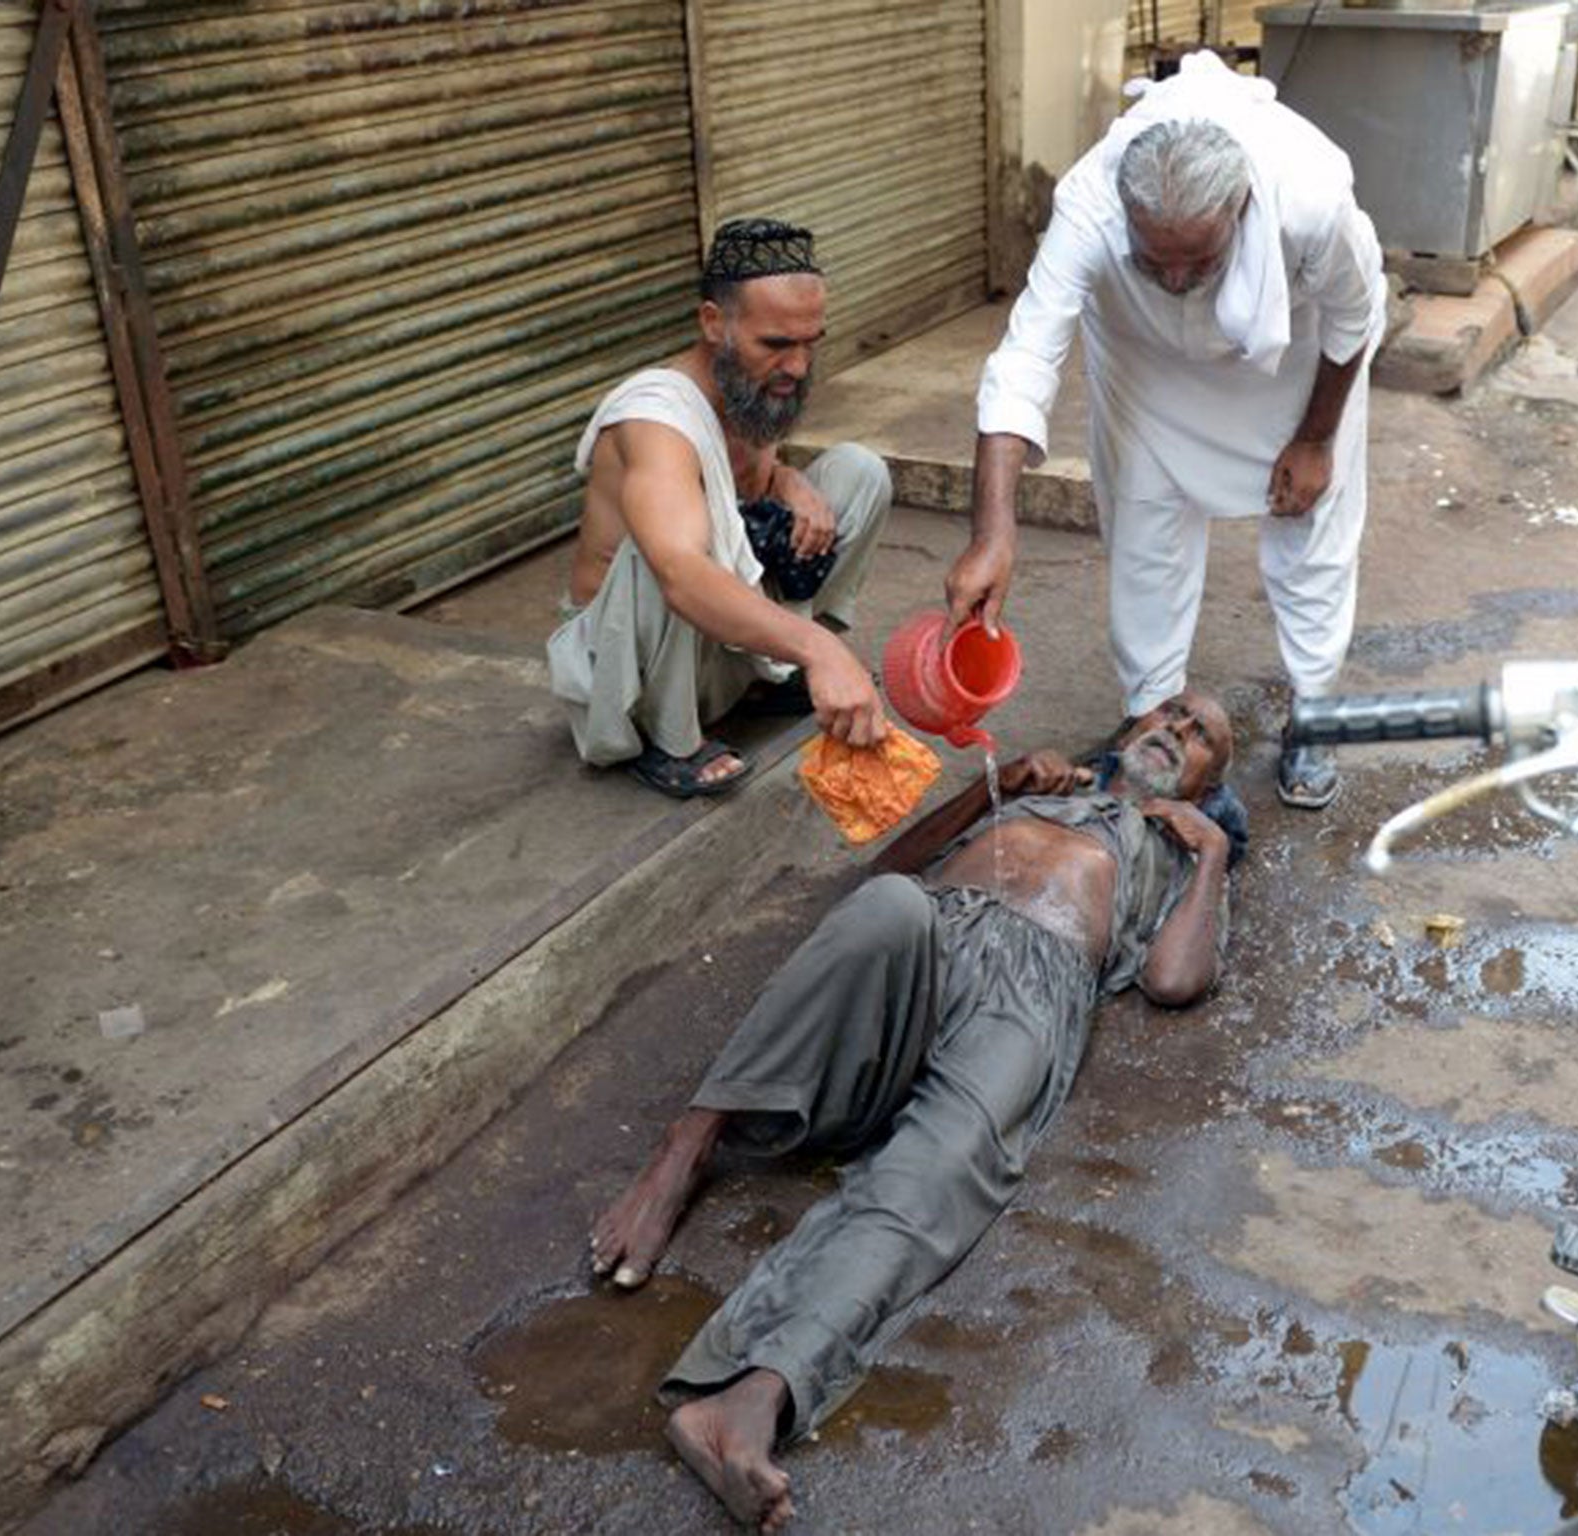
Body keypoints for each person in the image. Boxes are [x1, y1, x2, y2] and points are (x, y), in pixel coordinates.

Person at [587, 692, 1239, 1532]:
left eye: (1197, 741)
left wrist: (1215, 853)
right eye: (1170, 715)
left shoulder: (1179, 849)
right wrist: (991, 786)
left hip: (1035, 992)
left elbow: (1175, 981)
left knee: (939, 1170)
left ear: (1206, 782)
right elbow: (885, 873)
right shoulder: (1036, 788)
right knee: (887, 908)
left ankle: (755, 1395)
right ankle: (686, 1147)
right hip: (926, 938)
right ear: (1126, 728)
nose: (1174, 733)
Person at [946, 51, 1385, 811]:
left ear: (1242, 209)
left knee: (1311, 525)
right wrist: (993, 530)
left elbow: (1354, 313)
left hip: (1289, 359)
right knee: (1144, 524)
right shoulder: (1089, 205)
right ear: (1127, 220)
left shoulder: (1309, 200)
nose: (1178, 279)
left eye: (1198, 261)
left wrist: (1316, 436)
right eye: (1159, 260)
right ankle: (1149, 702)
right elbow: (1023, 359)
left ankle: (1314, 709)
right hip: (1144, 360)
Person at [547, 218, 893, 798]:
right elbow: (681, 574)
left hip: (716, 647)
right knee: (672, 550)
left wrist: (787, 480)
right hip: (627, 671)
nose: (800, 367)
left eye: (812, 343)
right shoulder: (656, 419)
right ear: (714, 323)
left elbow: (740, 486)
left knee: (859, 473)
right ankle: (669, 737)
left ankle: (764, 682)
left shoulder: (751, 384)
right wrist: (821, 649)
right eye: (777, 345)